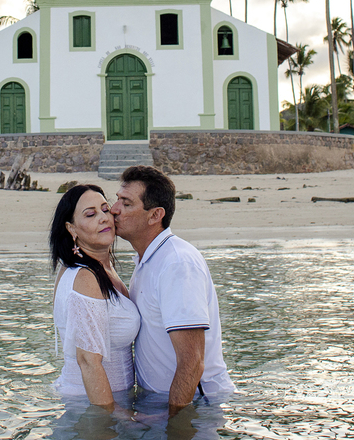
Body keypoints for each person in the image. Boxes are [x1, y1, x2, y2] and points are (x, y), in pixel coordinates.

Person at [109, 165, 235, 414]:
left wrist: (175, 426)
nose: (114, 210)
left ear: (155, 215)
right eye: (117, 200)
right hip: (162, 405)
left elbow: (192, 361)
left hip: (196, 407)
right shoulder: (149, 260)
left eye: (126, 203)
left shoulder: (177, 263)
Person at [49, 183, 140, 410]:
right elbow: (89, 362)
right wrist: (117, 419)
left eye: (105, 209)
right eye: (90, 214)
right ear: (72, 229)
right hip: (93, 408)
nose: (103, 218)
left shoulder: (96, 268)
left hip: (106, 402)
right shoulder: (85, 277)